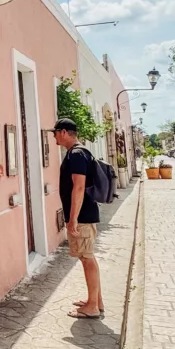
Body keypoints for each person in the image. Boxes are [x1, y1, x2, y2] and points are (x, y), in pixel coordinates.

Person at [52, 117, 103, 318]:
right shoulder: (79, 153)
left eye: (55, 132)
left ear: (64, 132)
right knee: (86, 257)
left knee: (87, 258)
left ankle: (92, 307)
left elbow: (79, 187)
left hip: (82, 216)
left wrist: (73, 218)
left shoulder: (77, 154)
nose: (54, 136)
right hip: (84, 215)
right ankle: (96, 300)